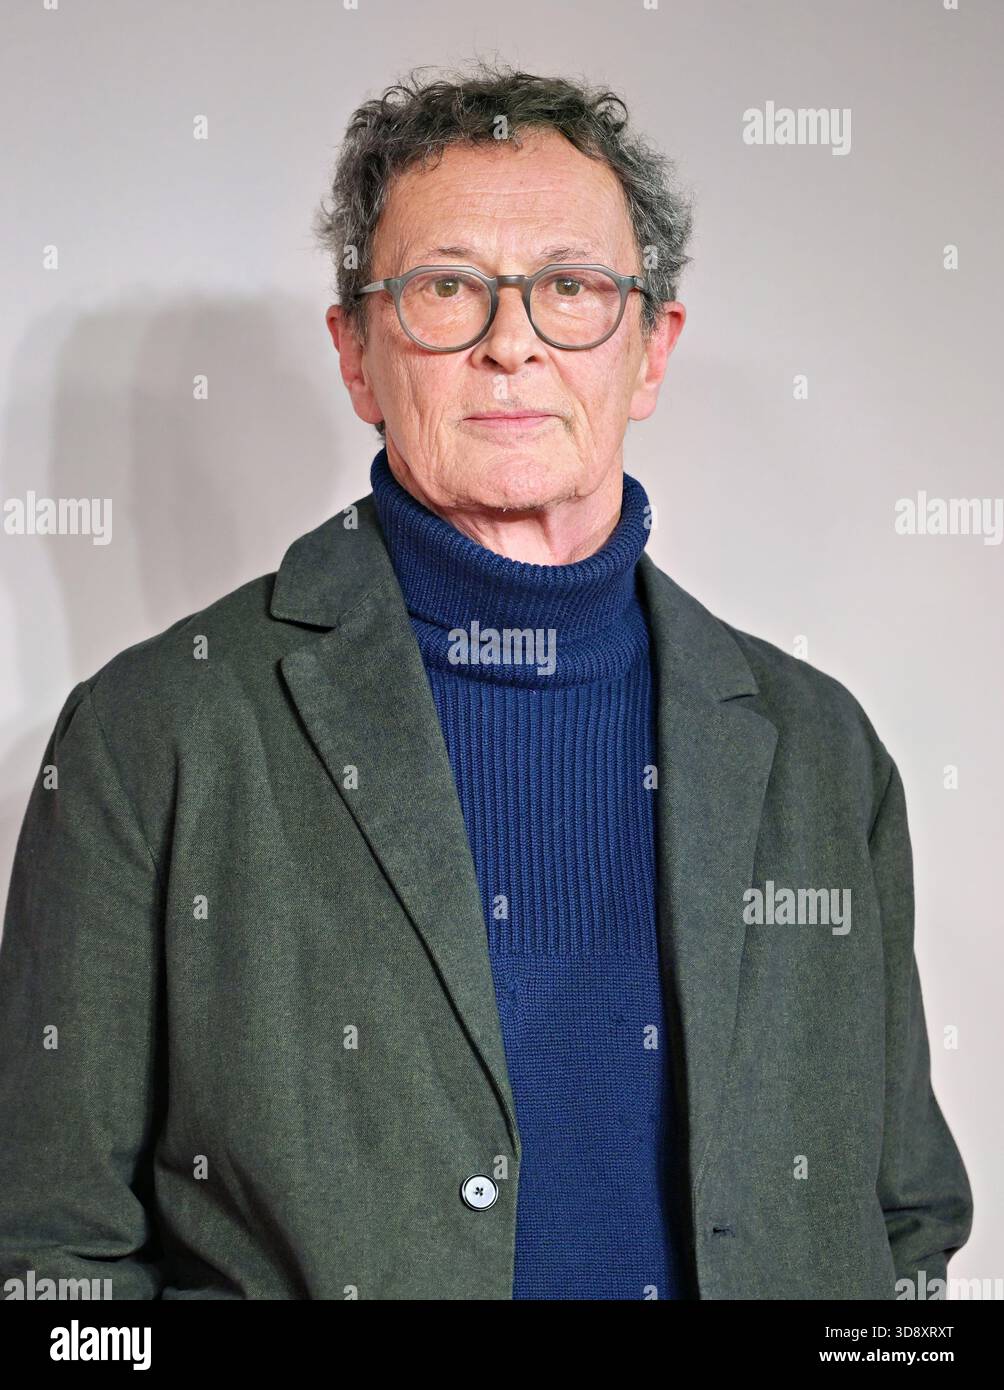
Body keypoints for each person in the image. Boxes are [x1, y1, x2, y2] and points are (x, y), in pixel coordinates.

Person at [0, 62, 972, 1300]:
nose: (510, 342)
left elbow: (903, 1231)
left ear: (649, 350)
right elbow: (48, 1274)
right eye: (445, 288)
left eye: (569, 287)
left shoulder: (820, 748)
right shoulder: (155, 733)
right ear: (356, 353)